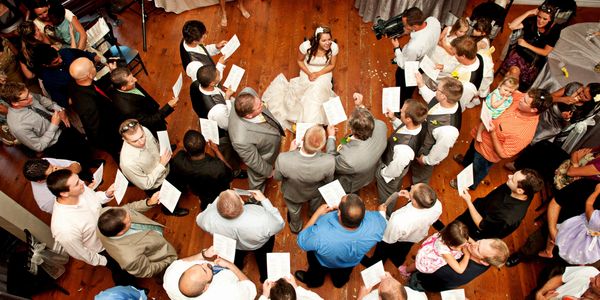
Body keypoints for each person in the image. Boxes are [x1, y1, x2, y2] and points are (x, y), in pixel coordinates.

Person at [47, 169, 136, 286]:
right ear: (64, 193)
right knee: (122, 270)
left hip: (113, 231)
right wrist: (105, 261)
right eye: (77, 183)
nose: (83, 182)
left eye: (78, 179)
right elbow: (81, 253)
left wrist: (106, 195)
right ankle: (130, 289)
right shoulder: (64, 228)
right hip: (104, 249)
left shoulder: (80, 189)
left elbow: (94, 197)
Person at [451, 88, 552, 190]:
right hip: (480, 135)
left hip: (486, 153)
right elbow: (511, 90)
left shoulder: (524, 133)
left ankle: (467, 184)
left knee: (477, 169)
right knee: (471, 153)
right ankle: (466, 162)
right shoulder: (521, 97)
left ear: (533, 110)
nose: (521, 99)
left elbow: (504, 154)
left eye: (525, 101)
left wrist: (493, 133)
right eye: (524, 96)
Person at [295, 194, 386, 288]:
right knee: (341, 279)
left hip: (321, 262)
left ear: (339, 212)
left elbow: (301, 241)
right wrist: (381, 212)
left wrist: (318, 213)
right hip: (349, 264)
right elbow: (382, 219)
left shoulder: (320, 233)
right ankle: (338, 283)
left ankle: (315, 282)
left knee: (315, 276)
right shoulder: (378, 223)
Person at [3, 81, 95, 174]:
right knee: (76, 164)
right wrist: (54, 125)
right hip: (56, 145)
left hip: (64, 126)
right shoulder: (17, 126)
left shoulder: (27, 97)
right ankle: (89, 177)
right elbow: (39, 146)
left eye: (29, 93)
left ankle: (92, 162)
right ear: (15, 103)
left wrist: (59, 109)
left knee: (83, 147)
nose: (31, 97)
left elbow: (41, 99)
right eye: (26, 98)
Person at [506, 178, 600, 267]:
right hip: (556, 226)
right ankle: (522, 255)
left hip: (580, 246)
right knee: (534, 244)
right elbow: (555, 203)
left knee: (560, 261)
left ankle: (546, 261)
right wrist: (552, 231)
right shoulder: (587, 185)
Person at [196, 189, 284, 282]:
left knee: (237, 258)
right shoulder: (262, 218)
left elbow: (199, 220)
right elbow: (279, 224)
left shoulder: (209, 218)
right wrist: (264, 199)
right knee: (263, 259)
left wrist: (220, 201)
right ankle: (265, 277)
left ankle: (238, 268)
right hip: (259, 245)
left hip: (233, 245)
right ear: (241, 201)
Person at [263, 25, 338, 128]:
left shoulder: (333, 47)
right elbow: (299, 61)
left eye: (329, 39)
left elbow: (332, 65)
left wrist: (318, 74)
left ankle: (313, 121)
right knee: (308, 91)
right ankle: (309, 122)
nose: (328, 43)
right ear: (317, 40)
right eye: (324, 40)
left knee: (319, 90)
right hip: (307, 69)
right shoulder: (306, 47)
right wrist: (309, 73)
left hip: (324, 72)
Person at [96, 191, 178, 278]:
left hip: (156, 240)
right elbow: (148, 270)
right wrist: (169, 260)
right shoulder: (130, 258)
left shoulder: (104, 214)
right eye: (129, 220)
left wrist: (149, 202)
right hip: (162, 260)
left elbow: (128, 209)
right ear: (120, 232)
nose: (130, 215)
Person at [118, 119, 189, 216]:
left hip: (167, 167)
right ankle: (170, 211)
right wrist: (161, 165)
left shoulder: (145, 130)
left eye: (142, 136)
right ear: (125, 140)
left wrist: (164, 157)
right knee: (167, 201)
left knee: (177, 184)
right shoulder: (127, 163)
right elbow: (146, 184)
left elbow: (156, 144)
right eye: (134, 141)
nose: (141, 142)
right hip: (157, 184)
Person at [361, 184, 442, 268]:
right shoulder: (437, 205)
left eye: (413, 189)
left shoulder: (399, 220)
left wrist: (381, 214)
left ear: (414, 201)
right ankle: (397, 259)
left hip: (394, 236)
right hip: (414, 236)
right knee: (402, 250)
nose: (412, 186)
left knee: (383, 251)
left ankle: (373, 264)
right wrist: (410, 196)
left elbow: (387, 237)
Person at [274, 125, 335, 233]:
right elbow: (328, 181)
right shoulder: (329, 161)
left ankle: (295, 227)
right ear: (322, 146)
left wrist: (290, 152)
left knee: (294, 211)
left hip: (293, 193)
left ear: (302, 139)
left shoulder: (283, 158)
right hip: (315, 192)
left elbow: (277, 178)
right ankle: (313, 215)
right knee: (315, 207)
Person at [455, 169, 544, 240]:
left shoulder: (507, 217)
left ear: (520, 191)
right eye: (513, 174)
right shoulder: (526, 191)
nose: (509, 176)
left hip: (473, 228)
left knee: (455, 233)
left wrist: (468, 201)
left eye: (512, 179)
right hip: (479, 208)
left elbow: (482, 225)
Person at [326, 93, 387, 193]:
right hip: (370, 170)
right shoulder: (381, 126)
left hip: (354, 180)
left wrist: (331, 136)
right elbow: (372, 121)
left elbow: (330, 162)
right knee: (344, 141)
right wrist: (360, 106)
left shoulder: (348, 160)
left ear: (351, 129)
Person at [228, 87, 285, 191]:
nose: (263, 105)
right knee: (257, 181)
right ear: (249, 116)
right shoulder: (240, 139)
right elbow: (254, 161)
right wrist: (268, 172)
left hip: (269, 143)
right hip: (264, 157)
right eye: (259, 106)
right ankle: (255, 201)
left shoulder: (247, 92)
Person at [410, 73, 463, 184]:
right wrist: (421, 85)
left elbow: (440, 150)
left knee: (421, 173)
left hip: (427, 150)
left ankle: (417, 186)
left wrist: (425, 160)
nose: (435, 91)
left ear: (443, 96)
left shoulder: (448, 131)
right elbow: (433, 98)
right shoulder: (448, 101)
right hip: (424, 136)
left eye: (437, 89)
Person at [376, 99, 427, 213]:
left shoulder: (404, 150)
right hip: (401, 164)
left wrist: (383, 173)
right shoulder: (419, 124)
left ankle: (386, 213)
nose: (400, 110)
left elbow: (394, 171)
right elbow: (404, 130)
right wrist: (394, 119)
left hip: (391, 172)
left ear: (408, 119)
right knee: (396, 186)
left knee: (387, 195)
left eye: (402, 111)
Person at [190, 64, 243, 173]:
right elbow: (227, 124)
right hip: (220, 133)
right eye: (218, 74)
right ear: (212, 83)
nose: (219, 74)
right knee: (227, 153)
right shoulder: (217, 109)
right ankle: (235, 171)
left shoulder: (195, 84)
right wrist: (227, 98)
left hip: (205, 116)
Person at [69, 57, 123, 160]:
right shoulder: (87, 105)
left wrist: (112, 73)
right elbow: (98, 131)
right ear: (89, 75)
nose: (95, 65)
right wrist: (117, 145)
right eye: (93, 66)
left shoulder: (79, 82)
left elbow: (96, 87)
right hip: (110, 136)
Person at [499, 3, 562, 91]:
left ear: (551, 20)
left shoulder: (555, 30)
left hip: (533, 60)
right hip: (521, 53)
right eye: (539, 17)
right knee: (514, 72)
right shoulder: (532, 20)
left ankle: (505, 90)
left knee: (512, 74)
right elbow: (512, 26)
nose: (540, 21)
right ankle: (504, 92)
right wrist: (528, 12)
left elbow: (545, 52)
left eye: (545, 19)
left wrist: (526, 45)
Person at [408, 238, 509, 292]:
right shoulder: (486, 258)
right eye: (479, 241)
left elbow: (430, 267)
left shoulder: (457, 273)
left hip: (426, 279)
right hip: (439, 276)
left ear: (484, 261)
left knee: (415, 279)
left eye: (478, 249)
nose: (474, 244)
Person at [170, 130, 233, 210]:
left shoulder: (178, 160)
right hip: (217, 191)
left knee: (205, 202)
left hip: (197, 190)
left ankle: (205, 207)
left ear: (186, 149)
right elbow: (230, 173)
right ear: (205, 146)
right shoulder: (217, 167)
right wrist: (216, 150)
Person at [162, 247, 257, 299]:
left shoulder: (171, 274)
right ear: (206, 287)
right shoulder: (229, 295)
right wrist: (230, 265)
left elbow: (183, 262)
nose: (205, 263)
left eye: (198, 265)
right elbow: (250, 288)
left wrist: (203, 254)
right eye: (205, 270)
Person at [391, 7, 441, 106]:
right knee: (412, 85)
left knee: (404, 86)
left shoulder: (414, 47)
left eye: (405, 25)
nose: (404, 26)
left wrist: (397, 48)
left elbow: (404, 65)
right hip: (426, 59)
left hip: (413, 66)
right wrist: (409, 31)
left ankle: (401, 105)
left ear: (414, 26)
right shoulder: (433, 20)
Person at [540, 183, 600, 264]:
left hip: (573, 230)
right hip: (587, 245)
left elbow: (588, 204)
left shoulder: (595, 218)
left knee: (558, 236)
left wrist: (596, 191)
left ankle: (548, 252)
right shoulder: (586, 185)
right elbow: (556, 202)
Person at [110, 66, 178, 135]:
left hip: (152, 111)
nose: (135, 79)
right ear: (123, 88)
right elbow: (148, 121)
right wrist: (168, 107)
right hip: (153, 125)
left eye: (133, 77)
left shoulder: (127, 84)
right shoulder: (128, 109)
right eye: (131, 81)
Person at [31, 42, 101, 107]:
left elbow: (89, 56)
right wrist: (80, 98)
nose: (61, 60)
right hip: (86, 102)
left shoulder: (66, 52)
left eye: (59, 56)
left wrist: (101, 60)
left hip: (96, 84)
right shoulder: (49, 80)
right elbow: (62, 101)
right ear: (46, 65)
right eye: (56, 62)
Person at [398, 220, 470, 277]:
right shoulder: (445, 253)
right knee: (417, 265)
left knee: (416, 263)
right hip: (428, 260)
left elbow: (461, 237)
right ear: (452, 245)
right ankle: (406, 271)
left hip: (429, 250)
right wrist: (467, 255)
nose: (463, 247)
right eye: (460, 246)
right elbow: (460, 269)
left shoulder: (449, 233)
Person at [446, 36, 494, 110]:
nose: (453, 55)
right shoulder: (479, 56)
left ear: (463, 56)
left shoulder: (467, 85)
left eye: (455, 53)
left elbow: (460, 104)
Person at [475, 76, 519, 141]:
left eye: (510, 92)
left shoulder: (509, 97)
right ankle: (479, 133)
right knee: (485, 122)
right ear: (500, 86)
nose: (507, 93)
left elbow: (507, 105)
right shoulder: (496, 94)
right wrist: (503, 100)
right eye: (505, 90)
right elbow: (494, 105)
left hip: (498, 112)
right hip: (490, 110)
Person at [535, 267, 600, 300]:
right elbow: (560, 279)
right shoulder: (591, 271)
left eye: (595, 283)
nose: (591, 278)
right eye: (597, 276)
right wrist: (540, 293)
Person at [358, 272, 426, 300]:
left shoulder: (369, 298)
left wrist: (361, 297)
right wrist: (389, 280)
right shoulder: (419, 296)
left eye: (381, 284)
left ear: (380, 298)